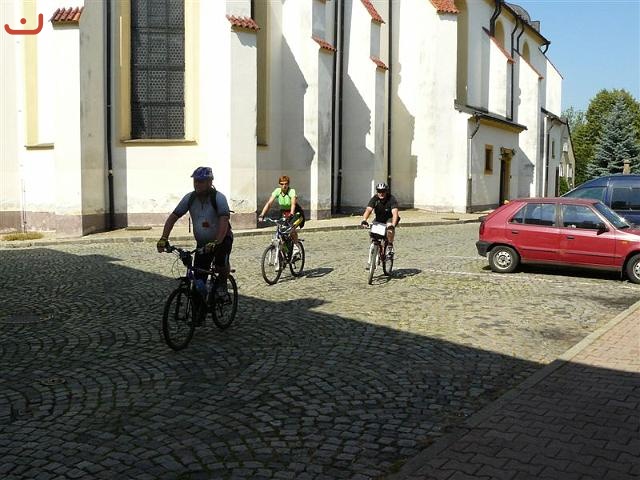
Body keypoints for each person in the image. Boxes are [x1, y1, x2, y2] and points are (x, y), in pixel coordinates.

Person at [156, 167, 233, 307]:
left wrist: (217, 241)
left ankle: (222, 285)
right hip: (202, 244)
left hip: (222, 239)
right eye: (195, 181)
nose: (197, 184)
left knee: (220, 264)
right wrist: (164, 238)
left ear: (210, 182)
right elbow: (173, 217)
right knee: (198, 277)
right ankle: (199, 309)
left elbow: (224, 220)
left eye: (201, 181)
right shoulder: (190, 198)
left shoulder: (219, 198)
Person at [257, 175, 303, 243]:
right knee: (281, 230)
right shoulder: (277, 191)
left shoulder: (291, 191)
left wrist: (291, 214)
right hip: (283, 212)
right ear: (279, 184)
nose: (284, 186)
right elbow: (269, 203)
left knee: (291, 229)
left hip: (295, 212)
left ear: (288, 184)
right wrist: (262, 214)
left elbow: (293, 204)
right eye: (282, 184)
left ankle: (296, 245)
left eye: (286, 184)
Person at [360, 182, 400, 256]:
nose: (381, 193)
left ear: (386, 191)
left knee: (389, 229)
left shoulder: (391, 199)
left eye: (383, 191)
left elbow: (395, 213)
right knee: (373, 233)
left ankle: (390, 246)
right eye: (379, 191)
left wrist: (393, 225)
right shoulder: (375, 198)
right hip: (379, 218)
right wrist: (364, 220)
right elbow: (368, 210)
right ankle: (375, 249)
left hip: (389, 218)